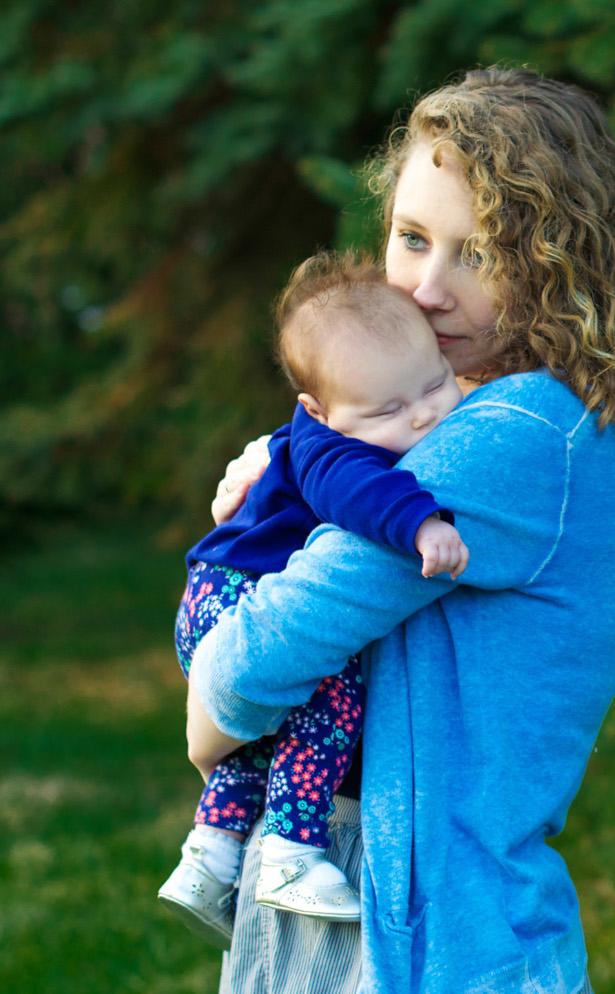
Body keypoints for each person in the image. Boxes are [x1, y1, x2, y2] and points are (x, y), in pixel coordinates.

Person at [185, 67, 615, 994]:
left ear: (558, 262)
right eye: (410, 239)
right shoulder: (489, 417)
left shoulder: (519, 431)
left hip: (433, 943)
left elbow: (257, 660)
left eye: (477, 255)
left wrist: (211, 716)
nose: (428, 290)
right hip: (387, 904)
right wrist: (280, 467)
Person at [160, 254, 470, 949]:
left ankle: (208, 859)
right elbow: (355, 492)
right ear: (318, 413)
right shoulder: (330, 448)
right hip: (237, 595)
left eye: (436, 384)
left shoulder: (345, 421)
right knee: (332, 699)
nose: (424, 415)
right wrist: (420, 523)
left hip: (215, 586)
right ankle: (294, 850)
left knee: (266, 737)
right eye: (390, 409)